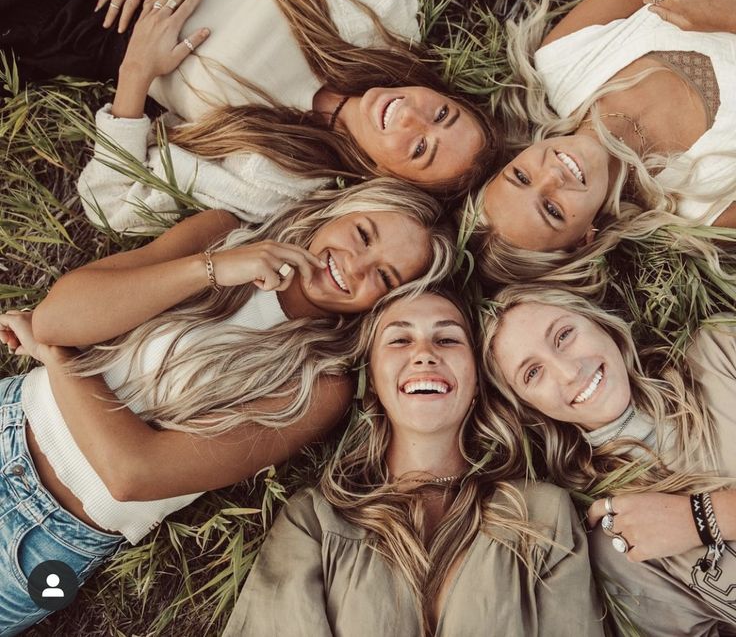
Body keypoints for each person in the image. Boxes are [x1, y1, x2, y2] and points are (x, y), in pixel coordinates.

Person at [0, 178, 454, 635]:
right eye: (362, 233)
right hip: (9, 416)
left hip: (43, 537)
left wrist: (57, 356)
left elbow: (132, 474)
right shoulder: (224, 233)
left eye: (385, 276)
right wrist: (211, 269)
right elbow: (56, 319)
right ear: (342, 210)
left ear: (387, 303)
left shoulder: (318, 386)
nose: (355, 265)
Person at [2, 0, 499, 234]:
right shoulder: (386, 20)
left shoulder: (279, 180)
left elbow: (111, 206)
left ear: (390, 179)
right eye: (442, 114)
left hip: (80, 16)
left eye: (419, 149)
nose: (414, 117)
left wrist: (135, 73)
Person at [222, 289, 604, 636]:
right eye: (400, 339)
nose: (425, 353)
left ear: (476, 382)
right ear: (372, 379)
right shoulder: (315, 521)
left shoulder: (542, 514)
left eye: (448, 339)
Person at [466, 0, 736, 283]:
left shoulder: (563, 61)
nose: (552, 175)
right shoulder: (704, 207)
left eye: (521, 177)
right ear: (583, 241)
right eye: (552, 210)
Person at [482, 284, 736, 635]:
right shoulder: (617, 537)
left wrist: (700, 518)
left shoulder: (721, 352)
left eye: (564, 335)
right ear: (527, 408)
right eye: (532, 373)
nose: (569, 371)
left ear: (599, 322)